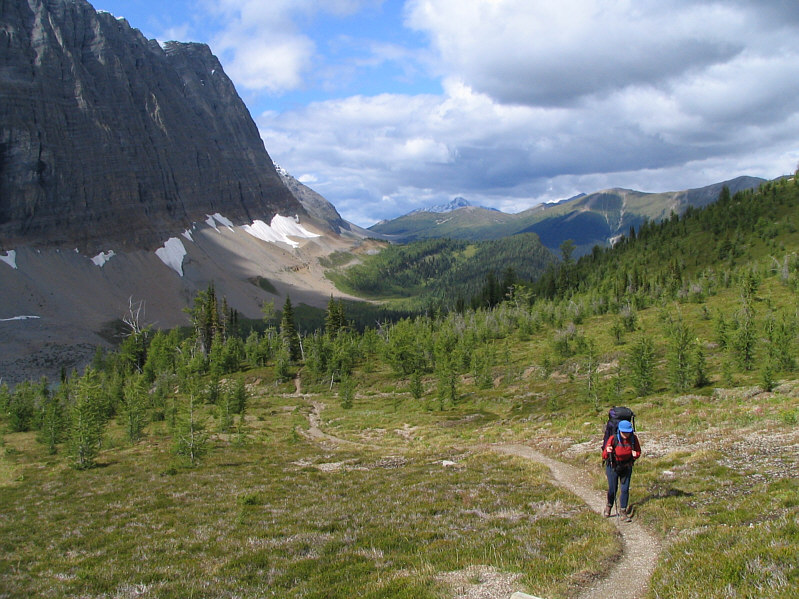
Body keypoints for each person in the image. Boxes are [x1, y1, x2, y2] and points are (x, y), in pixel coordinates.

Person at [602, 419, 641, 521]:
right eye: (624, 432)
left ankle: (623, 511)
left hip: (626, 467)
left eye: (628, 432)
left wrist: (635, 455)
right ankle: (609, 506)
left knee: (625, 489)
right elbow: (604, 455)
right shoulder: (613, 439)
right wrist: (607, 451)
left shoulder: (633, 439)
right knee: (612, 489)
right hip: (613, 467)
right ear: (619, 430)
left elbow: (638, 452)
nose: (626, 434)